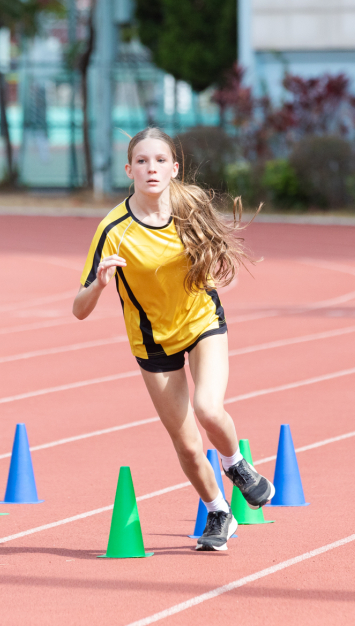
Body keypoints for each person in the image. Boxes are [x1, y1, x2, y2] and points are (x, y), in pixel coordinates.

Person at [72, 127, 274, 552]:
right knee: (185, 443)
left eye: (160, 160)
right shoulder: (113, 229)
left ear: (174, 168)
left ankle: (237, 466)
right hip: (152, 342)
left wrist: (215, 262)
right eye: (142, 161)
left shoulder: (191, 205)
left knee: (207, 407)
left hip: (201, 322)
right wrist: (100, 285)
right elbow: (79, 308)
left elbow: (218, 251)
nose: (151, 169)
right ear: (128, 169)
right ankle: (219, 510)